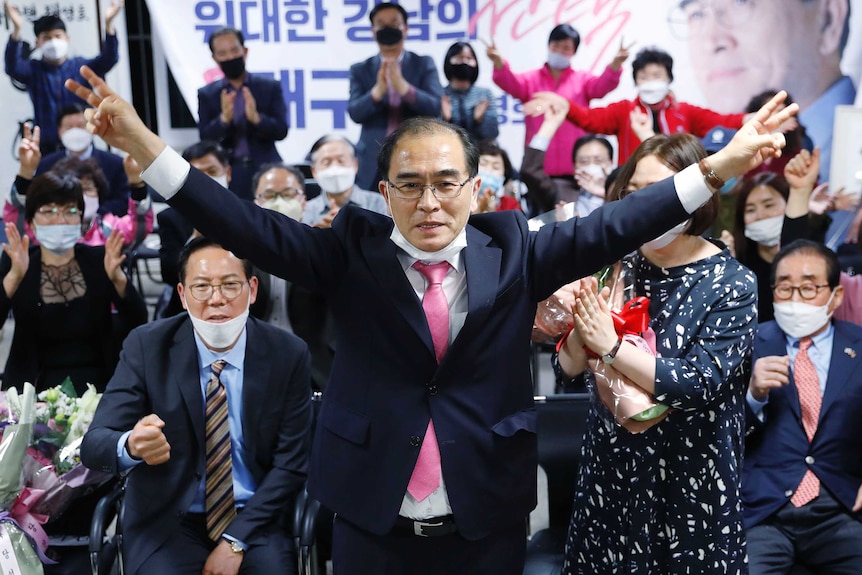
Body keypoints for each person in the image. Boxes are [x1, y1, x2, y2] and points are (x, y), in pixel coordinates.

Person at [66, 65, 797, 574]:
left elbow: (616, 223)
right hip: (370, 514)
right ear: (384, 190)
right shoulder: (350, 250)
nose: (430, 201)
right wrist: (145, 148)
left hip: (483, 511)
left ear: (475, 188)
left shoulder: (511, 247)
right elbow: (247, 225)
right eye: (409, 184)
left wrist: (723, 163)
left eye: (448, 182)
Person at [556, 133, 757, 573]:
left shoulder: (732, 283)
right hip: (611, 476)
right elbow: (568, 367)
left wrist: (608, 345)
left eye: (662, 193)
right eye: (635, 195)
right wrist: (581, 331)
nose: (648, 208)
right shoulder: (617, 262)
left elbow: (695, 383)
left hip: (692, 485)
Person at [80, 237, 313, 575]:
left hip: (255, 518)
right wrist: (130, 444)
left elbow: (292, 464)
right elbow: (94, 443)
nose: (217, 300)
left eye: (230, 285)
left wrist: (236, 540)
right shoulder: (147, 346)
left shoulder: (288, 353)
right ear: (182, 295)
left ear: (253, 289)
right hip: (167, 520)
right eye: (201, 287)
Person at [744, 239, 862, 574]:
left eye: (808, 289)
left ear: (835, 296)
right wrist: (753, 394)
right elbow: (718, 432)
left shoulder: (859, 345)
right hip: (764, 509)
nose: (795, 300)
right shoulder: (748, 344)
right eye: (784, 288)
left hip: (839, 505)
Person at [0, 171, 147, 395]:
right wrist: (13, 278)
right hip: (32, 385)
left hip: (100, 383)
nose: (60, 220)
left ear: (80, 218)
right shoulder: (19, 260)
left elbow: (138, 321)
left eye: (70, 211)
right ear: (31, 222)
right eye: (48, 211)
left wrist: (118, 279)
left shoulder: (100, 258)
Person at [675, 0, 854, 182]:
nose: (711, 41)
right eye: (697, 14)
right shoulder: (706, 135)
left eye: (740, 3)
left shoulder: (817, 151)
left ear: (828, 19)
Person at [537, 47, 747, 168]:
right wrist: (566, 105)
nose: (650, 82)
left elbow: (723, 122)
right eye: (643, 77)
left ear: (669, 79)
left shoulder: (685, 111)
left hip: (680, 187)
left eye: (656, 76)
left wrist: (754, 118)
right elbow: (589, 118)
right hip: (633, 188)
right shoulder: (624, 110)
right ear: (636, 82)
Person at [487, 25, 628, 198]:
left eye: (566, 48)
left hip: (575, 172)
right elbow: (510, 82)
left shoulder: (581, 80)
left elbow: (601, 86)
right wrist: (498, 62)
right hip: (538, 169)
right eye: (556, 46)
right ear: (548, 45)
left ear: (574, 52)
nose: (560, 51)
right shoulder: (530, 80)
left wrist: (615, 65)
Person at [3, 1, 123, 153]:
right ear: (37, 43)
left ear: (67, 38)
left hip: (82, 145)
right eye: (47, 38)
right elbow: (12, 67)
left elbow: (109, 59)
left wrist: (109, 25)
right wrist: (16, 30)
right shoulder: (34, 70)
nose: (53, 42)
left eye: (57, 36)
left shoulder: (81, 67)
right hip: (47, 149)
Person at [348, 2, 443, 190]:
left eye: (394, 23)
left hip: (416, 152)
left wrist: (404, 88)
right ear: (373, 31)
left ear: (405, 29)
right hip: (373, 158)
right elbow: (355, 113)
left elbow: (435, 106)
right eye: (381, 24)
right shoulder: (361, 69)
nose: (388, 28)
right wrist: (377, 91)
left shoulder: (423, 64)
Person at [198, 27, 288, 201]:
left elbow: (281, 130)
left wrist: (257, 118)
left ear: (244, 51)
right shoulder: (207, 94)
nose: (230, 57)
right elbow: (205, 138)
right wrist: (223, 120)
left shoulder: (269, 87)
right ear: (215, 58)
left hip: (267, 168)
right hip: (229, 171)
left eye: (234, 50)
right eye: (222, 53)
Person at [158, 141, 232, 318]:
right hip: (188, 311)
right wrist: (193, 240)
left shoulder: (248, 214)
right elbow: (168, 274)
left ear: (227, 173)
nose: (205, 181)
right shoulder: (170, 218)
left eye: (212, 172)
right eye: (197, 175)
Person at [520, 101, 613, 215]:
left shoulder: (623, 192)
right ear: (574, 167)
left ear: (610, 163)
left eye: (598, 160)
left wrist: (608, 195)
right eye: (584, 161)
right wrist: (550, 125)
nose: (591, 165)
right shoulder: (561, 191)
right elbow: (530, 171)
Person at [303, 135, 387, 228]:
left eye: (341, 160)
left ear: (355, 165)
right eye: (326, 162)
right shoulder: (305, 211)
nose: (334, 168)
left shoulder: (379, 204)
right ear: (314, 171)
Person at [441, 41, 498, 144]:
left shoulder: (484, 94)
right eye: (460, 57)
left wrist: (479, 121)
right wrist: (445, 120)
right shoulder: (440, 95)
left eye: (469, 58)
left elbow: (493, 133)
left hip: (480, 154)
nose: (465, 62)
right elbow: (432, 134)